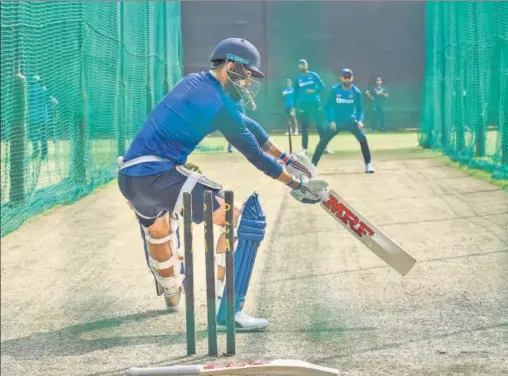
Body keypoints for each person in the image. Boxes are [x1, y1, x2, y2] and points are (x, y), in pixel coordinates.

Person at [117, 38, 328, 332]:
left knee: (160, 231)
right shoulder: (217, 102)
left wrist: (286, 157)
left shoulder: (195, 83)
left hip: (131, 176)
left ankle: (170, 291)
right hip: (158, 176)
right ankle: (228, 311)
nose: (247, 82)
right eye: (246, 74)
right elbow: (252, 152)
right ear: (229, 65)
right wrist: (295, 183)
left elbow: (248, 126)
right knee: (235, 216)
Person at [312, 69, 374, 173]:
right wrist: (331, 121)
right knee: (323, 141)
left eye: (349, 77)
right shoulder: (334, 90)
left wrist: (359, 121)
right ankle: (313, 165)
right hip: (336, 122)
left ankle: (368, 165)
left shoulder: (356, 92)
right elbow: (328, 106)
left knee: (363, 139)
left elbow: (360, 109)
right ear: (341, 78)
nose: (347, 79)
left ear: (352, 78)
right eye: (345, 77)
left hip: (351, 121)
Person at [293, 59, 332, 155]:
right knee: (304, 127)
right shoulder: (298, 78)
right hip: (303, 105)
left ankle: (324, 147)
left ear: (307, 65)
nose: (302, 66)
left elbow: (323, 87)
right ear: (298, 67)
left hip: (315, 103)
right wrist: (293, 106)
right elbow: (295, 93)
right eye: (300, 65)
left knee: (320, 125)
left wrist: (314, 91)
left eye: (304, 64)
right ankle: (304, 149)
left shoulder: (313, 75)